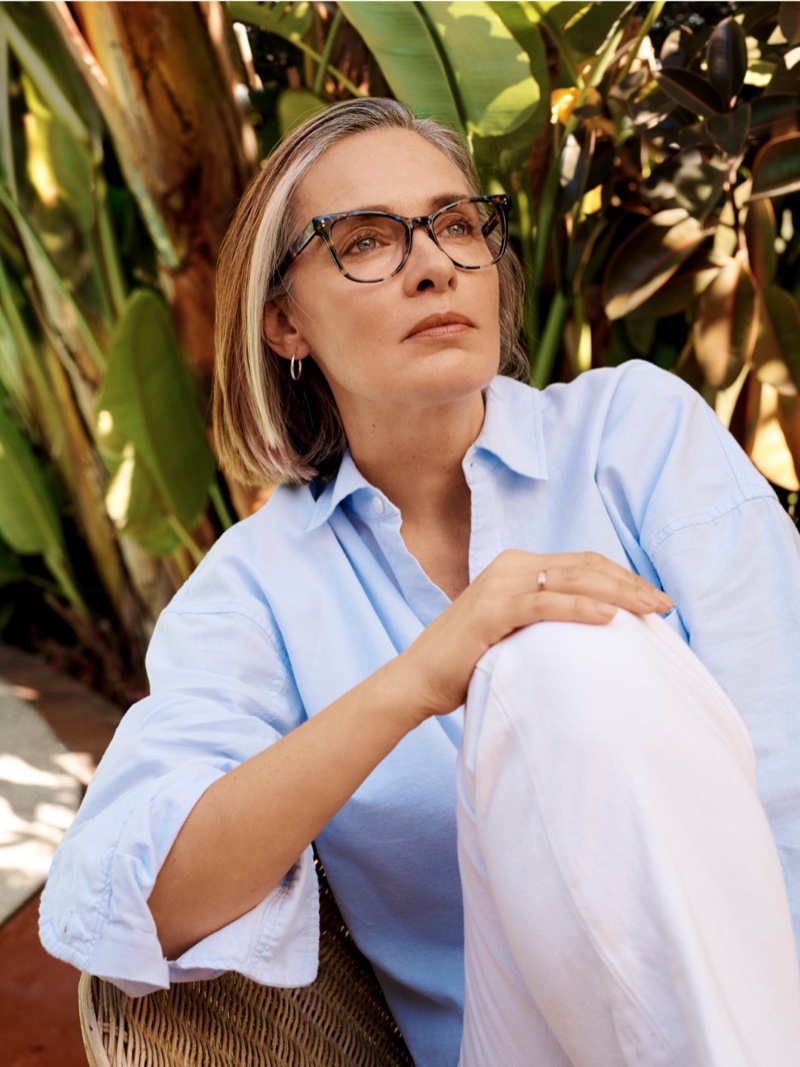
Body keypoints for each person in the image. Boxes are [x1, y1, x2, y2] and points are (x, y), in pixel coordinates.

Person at [40, 98, 800, 1066]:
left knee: (569, 653)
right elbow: (139, 907)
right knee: (554, 656)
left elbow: (782, 764)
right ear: (283, 322)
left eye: (454, 224)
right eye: (365, 240)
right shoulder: (257, 586)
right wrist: (420, 676)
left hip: (762, 1007)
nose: (435, 264)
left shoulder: (635, 437)